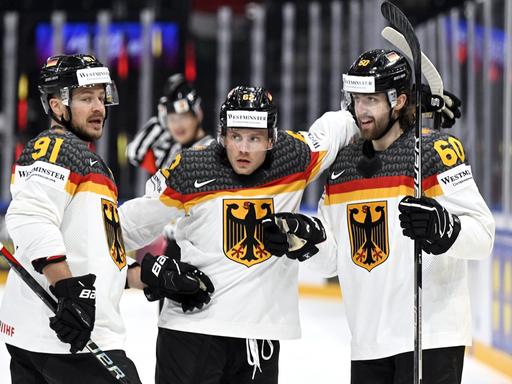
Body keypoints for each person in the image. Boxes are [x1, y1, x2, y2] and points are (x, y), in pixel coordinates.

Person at [270, 49, 495, 383]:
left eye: (371, 100)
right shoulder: (343, 166)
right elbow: (333, 262)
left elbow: (483, 237)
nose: (361, 111)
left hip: (429, 339)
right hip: (367, 343)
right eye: (356, 99)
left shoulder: (435, 152)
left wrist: (443, 230)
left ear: (399, 100)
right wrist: (305, 243)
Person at [119, 85, 359, 383]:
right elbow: (121, 229)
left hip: (258, 339)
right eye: (235, 137)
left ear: (272, 138)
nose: (243, 149)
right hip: (191, 334)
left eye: (254, 138)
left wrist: (402, 106)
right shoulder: (192, 168)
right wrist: (134, 272)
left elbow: (343, 123)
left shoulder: (296, 157)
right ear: (222, 135)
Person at [0, 54, 211, 384]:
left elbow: (97, 253)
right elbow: (30, 216)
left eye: (101, 97)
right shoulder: (54, 147)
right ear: (57, 106)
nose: (99, 107)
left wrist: (149, 277)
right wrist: (68, 290)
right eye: (86, 98)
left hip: (51, 338)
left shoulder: (86, 161)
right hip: (70, 340)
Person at [127, 73, 214, 260]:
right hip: (172, 247)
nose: (177, 124)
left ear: (198, 115)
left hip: (199, 246)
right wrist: (161, 119)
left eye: (184, 117)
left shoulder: (212, 150)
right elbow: (135, 152)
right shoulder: (171, 150)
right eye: (172, 118)